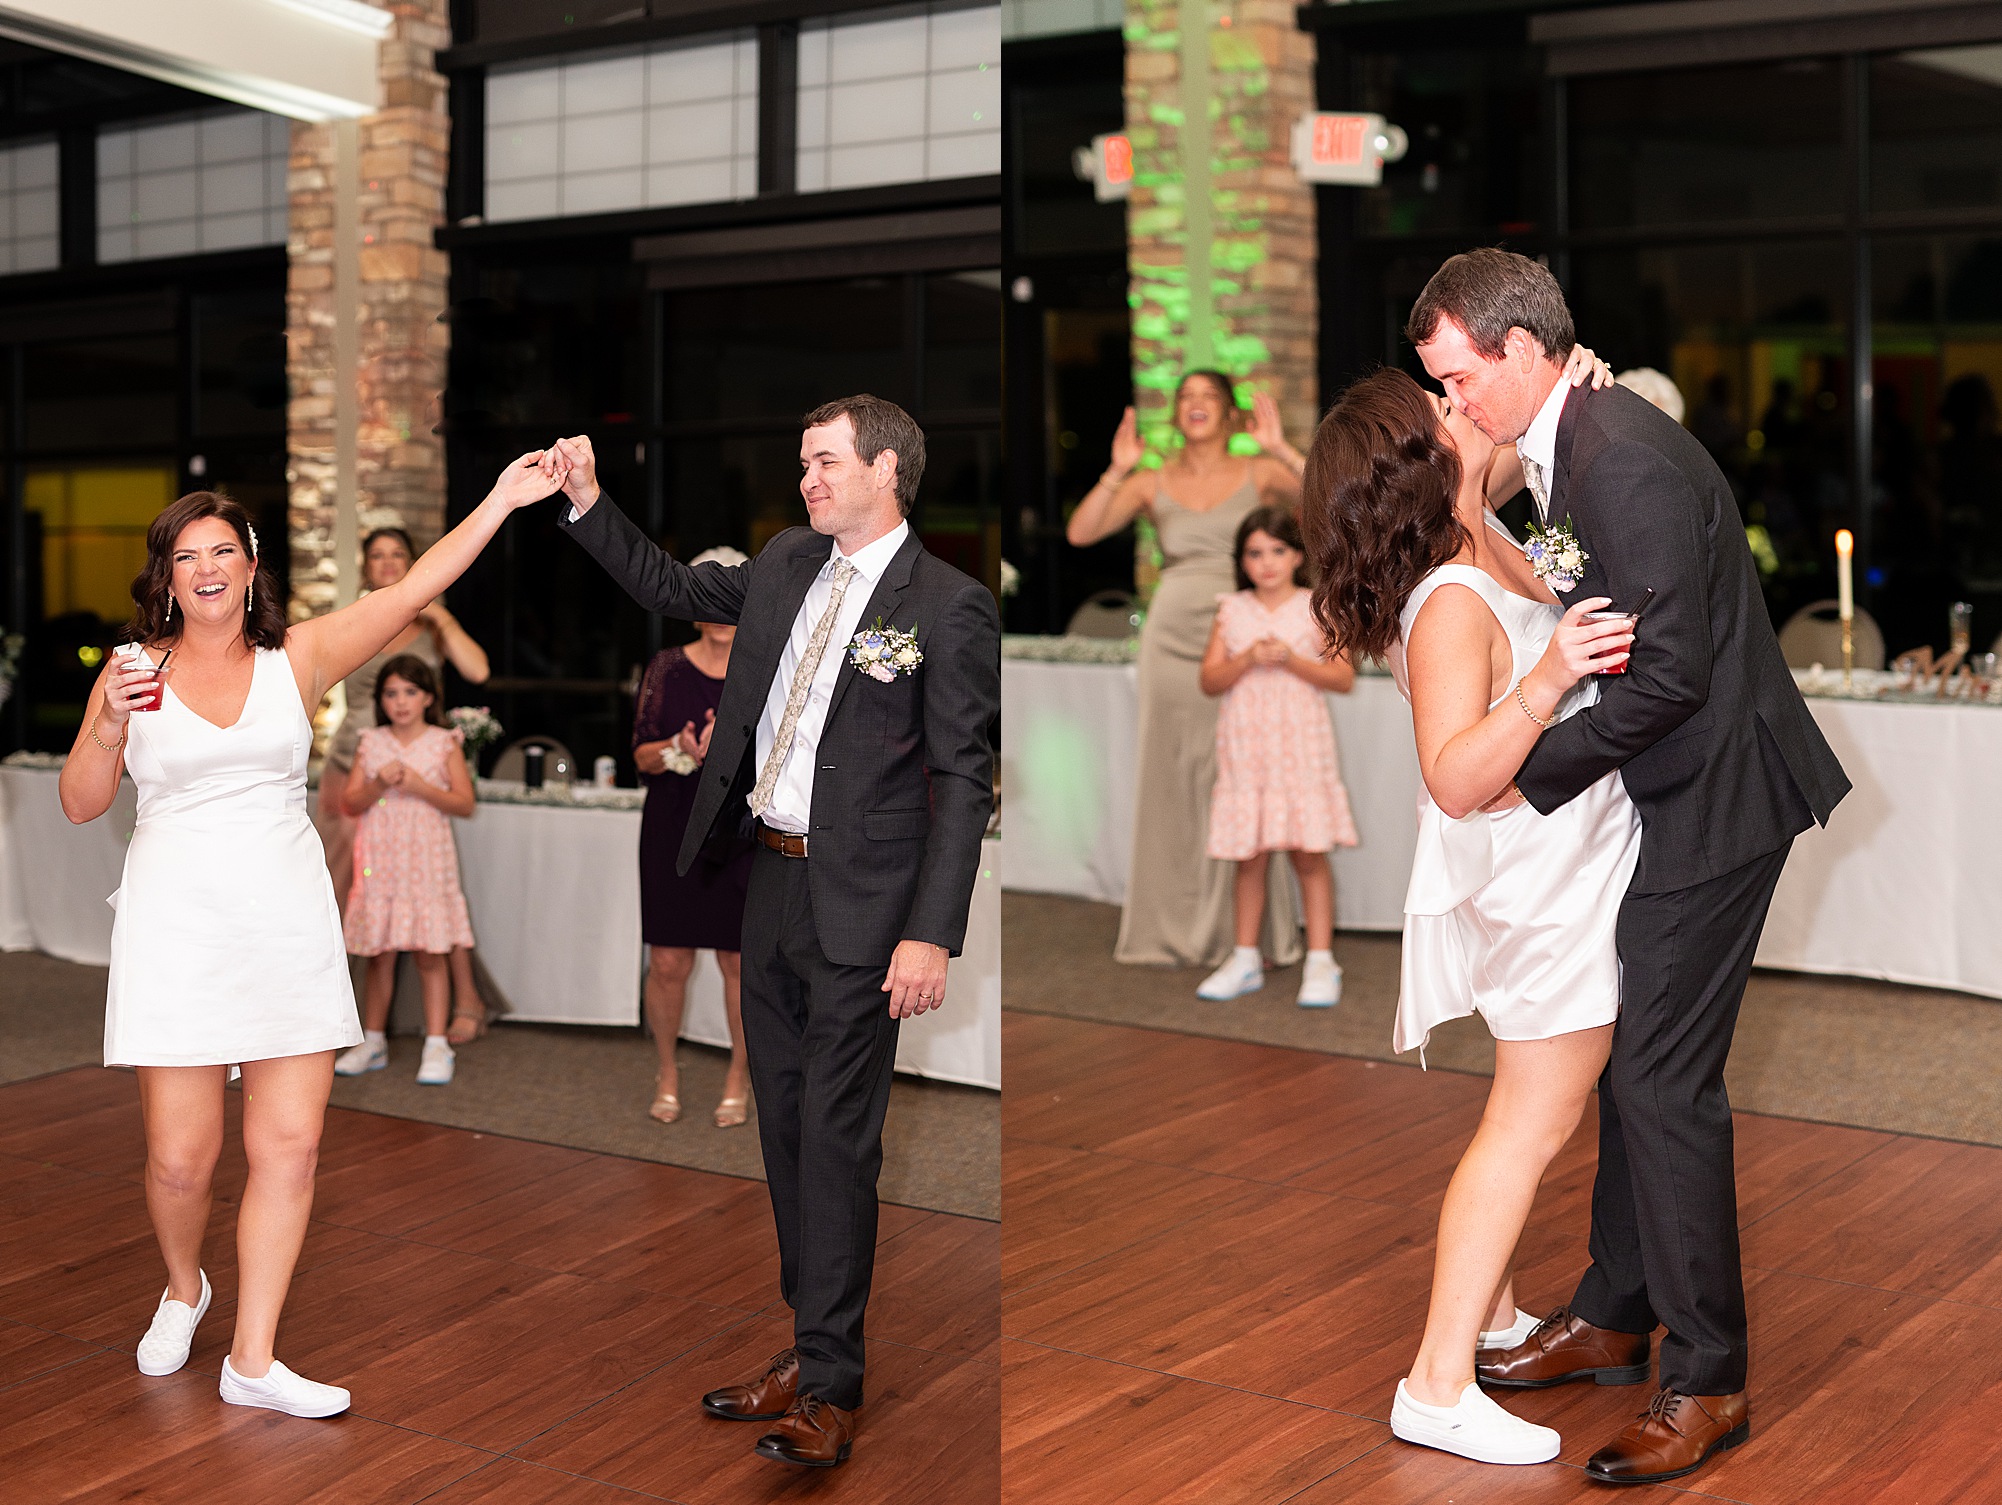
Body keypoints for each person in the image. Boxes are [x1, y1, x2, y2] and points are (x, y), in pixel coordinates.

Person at [1408, 248, 1849, 1484]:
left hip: (1716, 801)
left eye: (1458, 379)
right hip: (1678, 793)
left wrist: (1528, 768)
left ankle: (1708, 1377)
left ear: (1519, 349)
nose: (1452, 404)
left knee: (1659, 1082)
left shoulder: (1616, 456)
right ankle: (1614, 1310)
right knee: (1634, 1064)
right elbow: (1585, 596)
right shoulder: (1573, 434)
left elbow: (1667, 678)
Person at [546, 395, 998, 1470]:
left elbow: (962, 778)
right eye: (803, 462)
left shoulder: (948, 604)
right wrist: (588, 501)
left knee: (838, 1137)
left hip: (870, 909)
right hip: (771, 882)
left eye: (826, 461)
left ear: (885, 469)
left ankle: (831, 1384)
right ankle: (812, 1341)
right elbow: (668, 585)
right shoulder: (789, 561)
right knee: (786, 1129)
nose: (808, 479)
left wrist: (930, 933)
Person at [57, 459, 558, 1419]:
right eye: (186, 556)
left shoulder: (300, 656)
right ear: (166, 577)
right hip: (176, 929)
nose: (207, 568)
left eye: (224, 551)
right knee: (180, 1160)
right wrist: (108, 724)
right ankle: (183, 1287)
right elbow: (82, 803)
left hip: (285, 924)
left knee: (289, 1146)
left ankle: (252, 1357)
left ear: (252, 568)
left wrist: (500, 500)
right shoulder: (132, 670)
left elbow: (411, 589)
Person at [1306, 368, 1640, 1464]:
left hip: (1564, 853)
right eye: (1443, 406)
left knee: (1525, 1110)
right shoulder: (1448, 596)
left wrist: (1575, 385)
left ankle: (1489, 1316)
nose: (1465, 406)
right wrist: (1549, 676)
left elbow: (1537, 465)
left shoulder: (1485, 531)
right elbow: (1454, 776)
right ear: (1420, 461)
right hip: (1538, 876)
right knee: (1530, 1120)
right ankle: (1436, 1382)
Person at [1066, 372, 1307, 969]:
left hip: (1241, 630)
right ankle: (1170, 924)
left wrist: (1280, 448)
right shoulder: (1151, 479)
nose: (1196, 405)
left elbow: (1334, 500)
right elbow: (1081, 532)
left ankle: (1247, 934)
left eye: (1209, 397)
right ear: (1175, 414)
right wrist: (1117, 469)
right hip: (1171, 638)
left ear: (1231, 414)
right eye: (1186, 398)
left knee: (1240, 771)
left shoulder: (1259, 472)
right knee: (1171, 773)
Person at [318, 526, 492, 1047]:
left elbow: (478, 671)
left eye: (399, 554)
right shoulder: (355, 619)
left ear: (414, 562)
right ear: (366, 566)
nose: (389, 563)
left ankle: (468, 1000)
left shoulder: (432, 625)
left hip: (417, 772)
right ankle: (332, 1010)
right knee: (343, 888)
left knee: (426, 888)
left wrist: (439, 614)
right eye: (378, 556)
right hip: (353, 763)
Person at [1195, 506, 1358, 1006]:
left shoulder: (1316, 607)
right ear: (1241, 560)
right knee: (1250, 856)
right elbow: (1209, 681)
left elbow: (1343, 676)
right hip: (1248, 749)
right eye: (1254, 553)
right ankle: (1245, 957)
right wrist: (1247, 658)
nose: (1266, 563)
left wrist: (1291, 659)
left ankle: (1321, 960)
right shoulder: (1231, 610)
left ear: (1297, 556)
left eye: (1277, 550)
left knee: (1308, 854)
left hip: (1300, 747)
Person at [632, 556, 755, 1129]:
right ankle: (666, 1073)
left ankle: (738, 1077)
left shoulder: (763, 664)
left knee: (740, 962)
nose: (720, 614)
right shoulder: (667, 667)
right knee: (667, 961)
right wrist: (677, 747)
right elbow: (641, 754)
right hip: (673, 824)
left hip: (740, 829)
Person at [333, 654, 478, 1087]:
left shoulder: (443, 742)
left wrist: (420, 787)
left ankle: (437, 1043)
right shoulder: (371, 742)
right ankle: (374, 1040)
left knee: (430, 954)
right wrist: (379, 784)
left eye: (410, 692)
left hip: (426, 863)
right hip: (382, 865)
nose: (400, 702)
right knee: (379, 954)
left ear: (428, 697)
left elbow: (465, 804)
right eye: (391, 693)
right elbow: (349, 803)